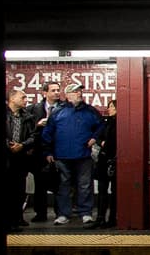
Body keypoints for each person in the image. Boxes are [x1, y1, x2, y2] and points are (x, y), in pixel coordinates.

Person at [41, 83, 103, 226]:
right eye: (75, 92)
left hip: (84, 155)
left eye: (80, 91)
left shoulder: (90, 111)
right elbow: (47, 133)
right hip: (61, 156)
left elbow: (101, 125)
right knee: (63, 186)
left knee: (85, 185)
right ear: (68, 95)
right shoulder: (57, 111)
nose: (79, 94)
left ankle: (86, 213)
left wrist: (95, 137)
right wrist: (48, 152)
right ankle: (63, 214)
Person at [28, 81, 62, 222]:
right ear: (44, 93)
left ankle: (60, 213)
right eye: (53, 90)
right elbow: (28, 129)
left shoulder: (64, 108)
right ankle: (40, 213)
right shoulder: (33, 109)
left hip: (59, 150)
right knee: (40, 184)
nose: (56, 93)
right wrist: (37, 125)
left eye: (58, 90)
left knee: (60, 183)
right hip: (39, 152)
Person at [5, 88, 37, 232]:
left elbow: (33, 136)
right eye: (22, 97)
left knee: (19, 190)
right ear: (12, 99)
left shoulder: (27, 117)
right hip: (6, 156)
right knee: (7, 190)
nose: (26, 100)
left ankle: (17, 219)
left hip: (20, 157)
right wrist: (9, 145)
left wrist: (22, 145)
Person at [93, 98, 118, 229]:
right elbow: (98, 137)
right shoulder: (106, 122)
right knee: (102, 190)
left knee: (114, 191)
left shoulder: (120, 124)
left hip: (114, 160)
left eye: (112, 107)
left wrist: (104, 143)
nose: (109, 109)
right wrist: (101, 141)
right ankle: (100, 217)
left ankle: (112, 218)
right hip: (104, 160)